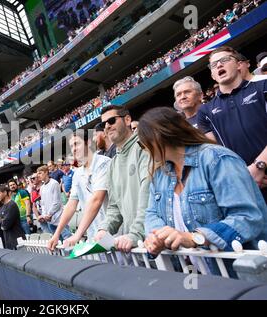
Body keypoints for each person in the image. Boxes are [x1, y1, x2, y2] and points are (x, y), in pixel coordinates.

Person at [140, 107, 267, 274]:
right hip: (197, 275)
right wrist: (157, 236)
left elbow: (247, 217)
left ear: (159, 135)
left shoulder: (217, 159)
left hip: (241, 273)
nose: (142, 148)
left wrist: (195, 237)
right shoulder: (160, 175)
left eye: (142, 142)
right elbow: (151, 214)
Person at [197, 46, 267, 202]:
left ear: (238, 64)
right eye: (214, 65)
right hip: (245, 185)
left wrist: (259, 166)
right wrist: (243, 175)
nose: (219, 65)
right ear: (213, 75)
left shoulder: (264, 87)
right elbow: (215, 154)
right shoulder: (205, 111)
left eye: (224, 60)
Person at [94, 105, 150, 252]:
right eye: (103, 124)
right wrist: (104, 229)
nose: (107, 126)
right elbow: (114, 206)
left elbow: (149, 196)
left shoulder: (144, 146)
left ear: (127, 120)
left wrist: (135, 234)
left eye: (111, 120)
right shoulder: (113, 164)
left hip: (154, 240)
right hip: (133, 244)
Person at [47, 130, 110, 250]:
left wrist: (77, 235)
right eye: (71, 146)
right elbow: (71, 204)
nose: (74, 149)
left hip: (111, 232)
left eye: (77, 144)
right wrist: (57, 234)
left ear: (88, 143)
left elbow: (97, 200)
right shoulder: (77, 174)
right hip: (93, 233)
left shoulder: (104, 163)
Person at [37, 165, 72, 240]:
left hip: (59, 218)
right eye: (38, 173)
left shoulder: (54, 183)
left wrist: (49, 214)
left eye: (40, 173)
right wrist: (44, 215)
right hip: (49, 220)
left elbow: (57, 203)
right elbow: (42, 203)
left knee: (67, 239)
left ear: (46, 172)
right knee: (57, 242)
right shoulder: (42, 188)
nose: (38, 175)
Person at [0, 185, 26, 250]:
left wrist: (0, 221)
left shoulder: (12, 205)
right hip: (9, 242)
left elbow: (5, 225)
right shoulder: (2, 207)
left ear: (5, 193)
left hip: (17, 242)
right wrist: (1, 221)